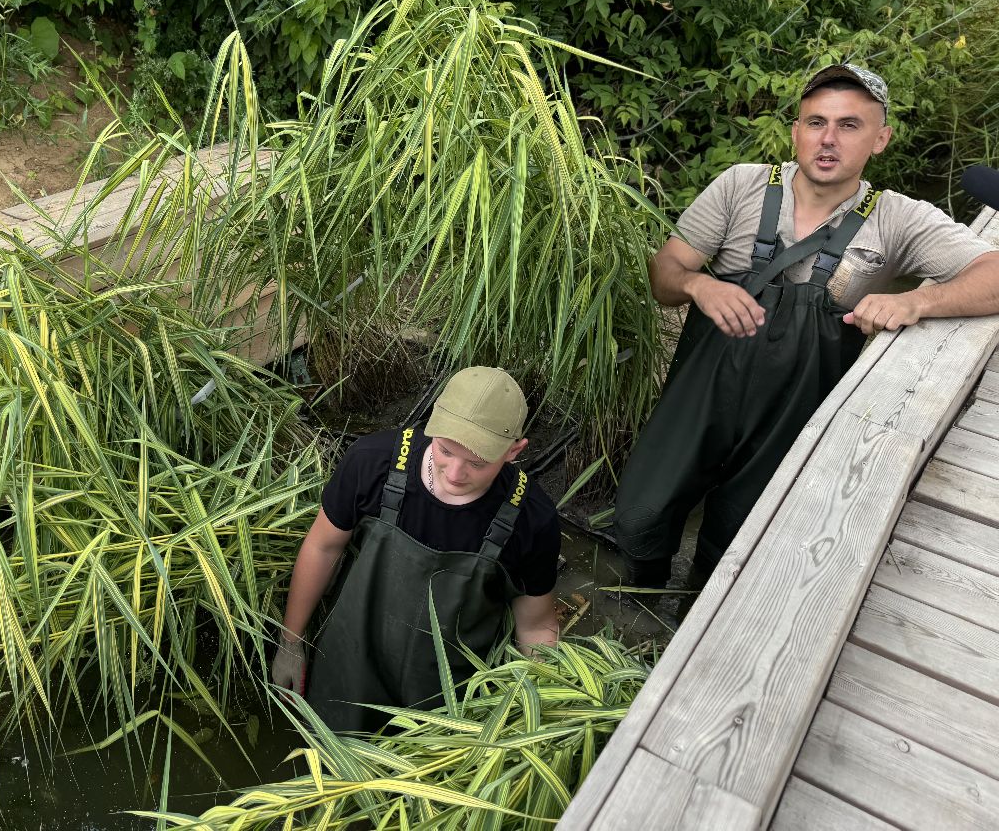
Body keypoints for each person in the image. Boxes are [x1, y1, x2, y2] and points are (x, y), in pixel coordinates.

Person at [615, 63, 999, 592]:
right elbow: (664, 276)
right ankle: (642, 595)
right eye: (815, 122)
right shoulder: (740, 186)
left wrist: (917, 301)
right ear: (795, 130)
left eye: (849, 125)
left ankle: (696, 616)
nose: (827, 138)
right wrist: (701, 286)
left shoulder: (898, 219)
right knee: (639, 513)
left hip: (795, 412)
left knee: (740, 535)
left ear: (880, 138)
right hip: (701, 394)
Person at [270, 366, 560, 732]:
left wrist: (535, 713)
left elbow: (535, 627)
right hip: (350, 665)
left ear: (514, 451)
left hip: (445, 701)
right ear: (432, 425)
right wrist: (290, 643)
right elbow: (323, 547)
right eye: (445, 450)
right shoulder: (372, 461)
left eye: (478, 463)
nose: (455, 473)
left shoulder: (531, 519)